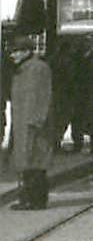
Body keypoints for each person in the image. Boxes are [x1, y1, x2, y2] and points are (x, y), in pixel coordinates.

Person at [8, 37, 54, 211]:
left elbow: (43, 95)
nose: (13, 55)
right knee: (26, 162)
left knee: (35, 163)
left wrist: (37, 119)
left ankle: (36, 200)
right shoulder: (23, 69)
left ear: (27, 51)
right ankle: (28, 198)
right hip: (24, 123)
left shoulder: (38, 68)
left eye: (16, 51)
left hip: (34, 124)